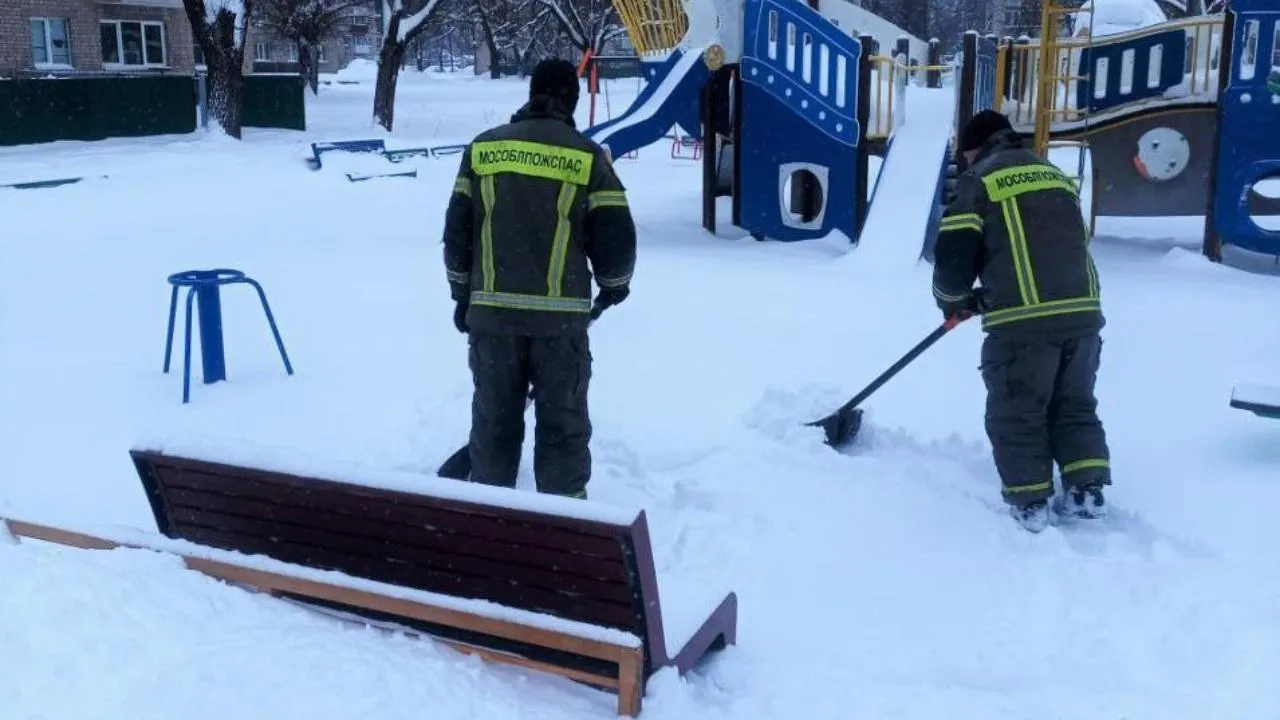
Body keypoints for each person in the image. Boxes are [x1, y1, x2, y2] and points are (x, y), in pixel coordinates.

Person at [440, 58, 637, 500]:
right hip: (559, 329)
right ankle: (564, 519)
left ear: (531, 93)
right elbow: (615, 236)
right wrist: (614, 285)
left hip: (492, 322)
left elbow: (457, 232)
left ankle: (490, 514)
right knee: (562, 427)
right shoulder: (587, 157)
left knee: (494, 423)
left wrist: (461, 293)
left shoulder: (483, 150)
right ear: (573, 98)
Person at [932, 109, 1111, 532]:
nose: (964, 162)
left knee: (1018, 408)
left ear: (974, 148)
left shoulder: (982, 179)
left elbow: (955, 251)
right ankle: (1087, 490)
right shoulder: (1053, 174)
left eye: (964, 155)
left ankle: (1030, 501)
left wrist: (953, 301)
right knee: (1074, 403)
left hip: (1024, 323)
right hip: (1084, 315)